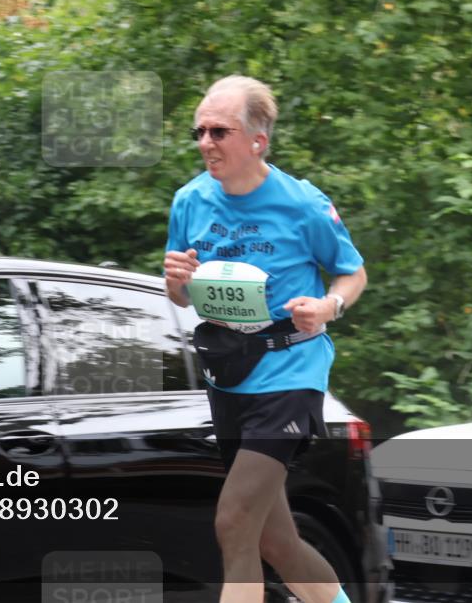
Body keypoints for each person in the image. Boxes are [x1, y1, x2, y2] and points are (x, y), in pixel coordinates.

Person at [163, 76, 367, 603]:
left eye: (220, 131)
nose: (206, 142)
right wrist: (177, 281)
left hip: (292, 372)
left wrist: (328, 306)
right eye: (200, 132)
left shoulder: (302, 204)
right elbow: (181, 297)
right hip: (228, 375)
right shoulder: (189, 201)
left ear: (258, 141)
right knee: (276, 539)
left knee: (233, 521)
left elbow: (352, 273)